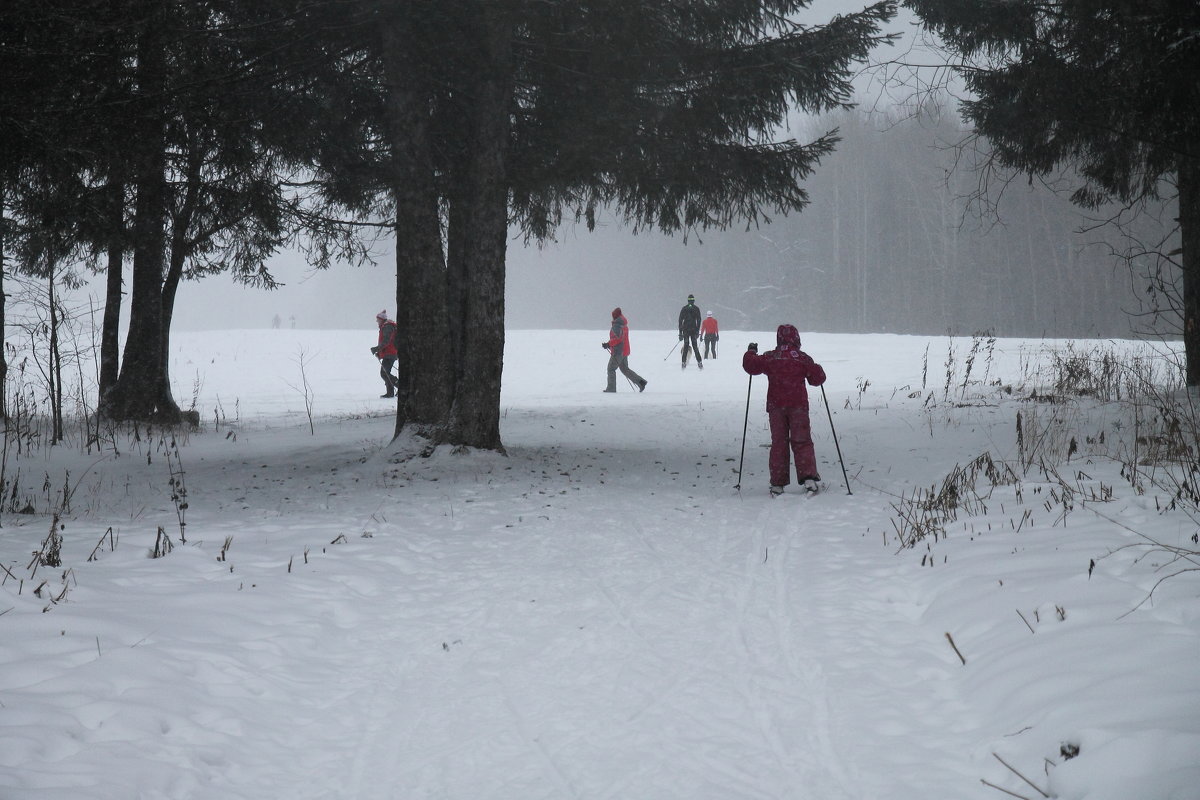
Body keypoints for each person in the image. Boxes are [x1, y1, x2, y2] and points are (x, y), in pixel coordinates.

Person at [742, 324, 826, 496]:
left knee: (779, 443)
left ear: (778, 338)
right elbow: (818, 379)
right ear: (796, 338)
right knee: (802, 441)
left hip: (776, 407)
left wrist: (751, 351)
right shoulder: (802, 358)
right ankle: (809, 478)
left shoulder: (771, 357)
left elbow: (750, 366)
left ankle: (778, 484)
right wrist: (815, 367)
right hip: (798, 407)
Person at [603, 307, 648, 393]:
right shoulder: (624, 324)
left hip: (618, 352)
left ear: (615, 316)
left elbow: (618, 339)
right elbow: (621, 338)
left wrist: (608, 344)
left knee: (611, 369)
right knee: (625, 369)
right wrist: (609, 344)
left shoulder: (617, 325)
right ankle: (641, 382)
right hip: (625, 350)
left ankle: (611, 388)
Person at [370, 310, 398, 398]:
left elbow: (386, 341)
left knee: (384, 373)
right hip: (389, 353)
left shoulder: (387, 327)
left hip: (390, 353)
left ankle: (398, 387)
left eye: (378, 319)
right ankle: (390, 392)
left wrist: (376, 349)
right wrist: (379, 352)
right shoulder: (386, 326)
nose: (376, 321)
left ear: (382, 319)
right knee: (385, 372)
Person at [678, 293, 703, 370]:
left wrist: (680, 333)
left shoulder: (684, 308)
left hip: (686, 330)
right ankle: (699, 362)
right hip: (693, 330)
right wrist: (697, 331)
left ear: (688, 300)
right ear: (694, 300)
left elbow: (680, 321)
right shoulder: (696, 309)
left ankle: (683, 362)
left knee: (686, 346)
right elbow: (699, 321)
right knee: (695, 346)